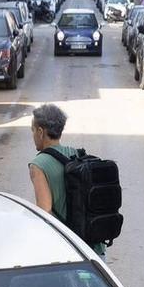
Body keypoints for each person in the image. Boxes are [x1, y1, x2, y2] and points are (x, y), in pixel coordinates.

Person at [28, 103, 106, 256]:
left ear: (40, 131)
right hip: (94, 245)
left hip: (69, 249)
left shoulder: (38, 165)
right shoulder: (77, 154)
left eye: (32, 131)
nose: (33, 136)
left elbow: (45, 211)